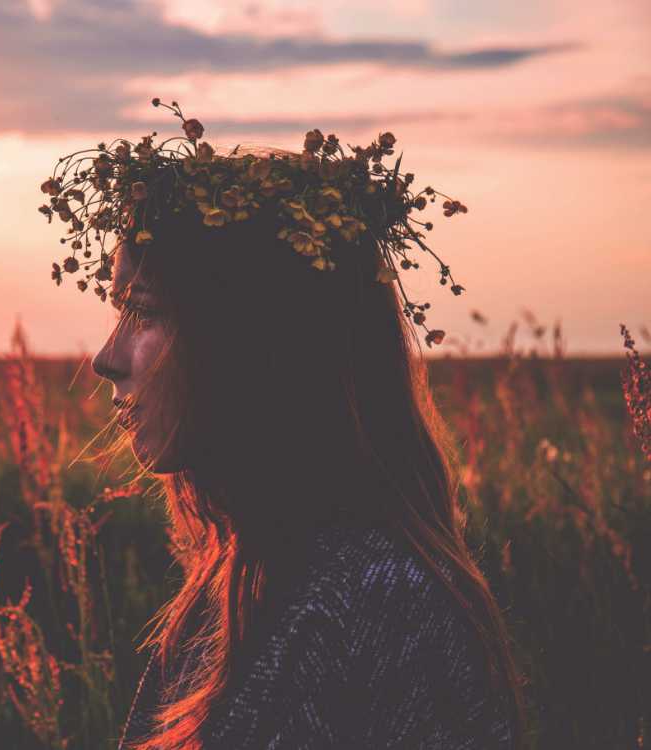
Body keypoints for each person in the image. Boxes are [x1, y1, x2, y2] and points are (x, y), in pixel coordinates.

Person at [41, 99, 527, 749]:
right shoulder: (243, 582)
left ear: (249, 340)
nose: (105, 359)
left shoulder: (371, 610)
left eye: (145, 312)